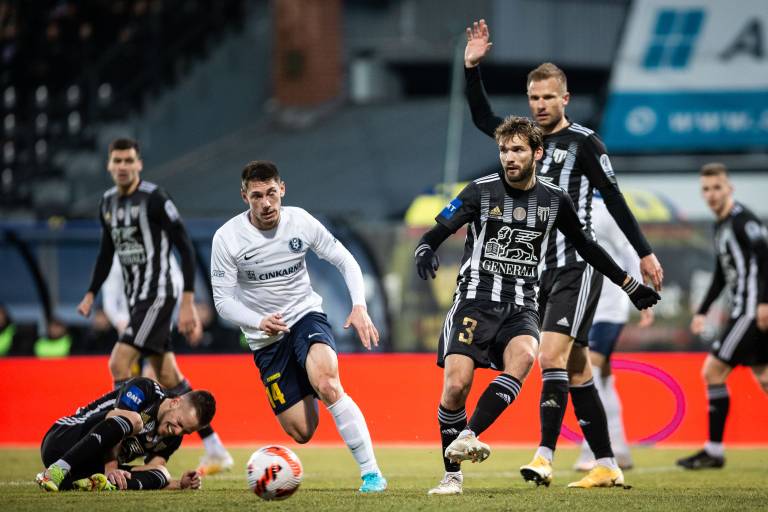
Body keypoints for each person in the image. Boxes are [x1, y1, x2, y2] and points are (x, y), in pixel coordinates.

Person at [463, 19, 664, 488]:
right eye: (534, 97)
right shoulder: (524, 142)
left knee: (550, 355)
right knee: (577, 368)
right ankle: (608, 463)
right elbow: (482, 119)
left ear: (565, 98)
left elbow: (615, 199)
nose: (540, 105)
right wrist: (471, 69)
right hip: (536, 271)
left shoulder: (585, 143)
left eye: (548, 97)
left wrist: (644, 253)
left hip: (577, 265)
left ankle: (544, 456)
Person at [416, 116, 659, 494]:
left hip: (522, 304)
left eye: (517, 150)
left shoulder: (554, 199)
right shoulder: (479, 191)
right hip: (474, 302)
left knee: (527, 356)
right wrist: (425, 249)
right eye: (503, 150)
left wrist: (628, 284)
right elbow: (436, 232)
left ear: (537, 153)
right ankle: (452, 476)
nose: (509, 157)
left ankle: (467, 436)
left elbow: (587, 247)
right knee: (456, 388)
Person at [210, 160, 387, 493]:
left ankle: (372, 474)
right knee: (302, 431)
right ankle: (307, 376)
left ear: (282, 189)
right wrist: (258, 321)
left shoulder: (300, 222)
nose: (266, 203)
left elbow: (344, 259)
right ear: (244, 196)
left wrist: (359, 306)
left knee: (329, 383)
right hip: (265, 339)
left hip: (305, 316)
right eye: (257, 196)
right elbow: (223, 301)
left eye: (271, 193)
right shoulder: (227, 238)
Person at [76, 138, 232, 475]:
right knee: (168, 376)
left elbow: (184, 245)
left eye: (128, 160)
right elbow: (106, 252)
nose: (122, 166)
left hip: (159, 294)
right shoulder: (107, 203)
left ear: (139, 164)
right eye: (117, 160)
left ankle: (113, 449)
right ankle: (216, 449)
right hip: (138, 299)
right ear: (109, 165)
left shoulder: (156, 198)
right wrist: (91, 293)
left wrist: (187, 301)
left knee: (119, 361)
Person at [677, 163, 768, 470]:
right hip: (745, 309)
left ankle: (714, 451)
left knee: (712, 371)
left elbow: (766, 258)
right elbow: (721, 274)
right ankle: (713, 451)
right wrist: (703, 310)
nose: (712, 194)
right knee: (765, 377)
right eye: (706, 189)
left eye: (717, 187)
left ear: (730, 188)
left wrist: (764, 303)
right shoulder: (720, 225)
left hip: (750, 311)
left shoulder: (744, 221)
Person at [573, 192, 654, 471]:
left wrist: (641, 296)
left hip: (609, 306)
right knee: (604, 378)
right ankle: (619, 449)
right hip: (582, 304)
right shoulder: (564, 204)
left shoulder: (603, 209)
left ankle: (593, 451)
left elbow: (628, 250)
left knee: (590, 371)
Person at [35, 376, 216, 492]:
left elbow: (152, 469)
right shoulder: (145, 389)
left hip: (88, 466)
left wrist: (179, 484)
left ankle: (91, 483)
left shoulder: (174, 437)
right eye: (179, 424)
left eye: (185, 431)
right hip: (65, 439)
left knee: (162, 473)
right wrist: (112, 467)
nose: (177, 431)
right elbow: (116, 419)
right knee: (134, 419)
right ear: (175, 402)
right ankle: (56, 470)